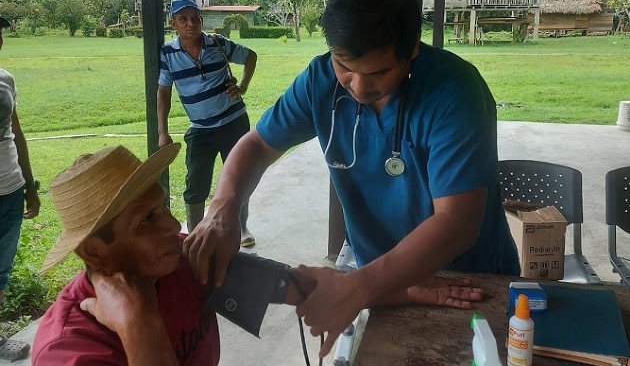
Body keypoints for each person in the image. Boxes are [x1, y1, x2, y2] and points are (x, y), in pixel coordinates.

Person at [182, 0, 520, 357]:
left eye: (378, 73)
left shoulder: (454, 92)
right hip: (383, 281)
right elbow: (257, 144)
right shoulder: (319, 81)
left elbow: (456, 223)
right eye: (345, 66)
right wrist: (223, 210)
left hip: (466, 280)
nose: (358, 87)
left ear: (411, 51)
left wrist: (355, 288)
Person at [31, 143, 480, 365]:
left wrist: (407, 289)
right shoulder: (70, 349)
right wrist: (141, 326)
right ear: (95, 252)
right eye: (146, 221)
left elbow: (304, 289)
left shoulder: (181, 265)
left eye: (164, 209)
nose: (173, 227)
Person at [157, 0, 258, 247]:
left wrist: (243, 85)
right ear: (174, 24)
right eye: (183, 19)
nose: (190, 23)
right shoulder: (168, 54)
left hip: (234, 122)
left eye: (195, 18)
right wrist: (162, 131)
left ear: (201, 20)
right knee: (195, 184)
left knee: (238, 179)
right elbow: (163, 93)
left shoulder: (217, 43)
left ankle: (241, 228)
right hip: (201, 130)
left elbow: (250, 56)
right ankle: (195, 235)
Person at [0, 14, 39, 362]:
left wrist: (29, 185)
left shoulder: (6, 80)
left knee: (1, 268)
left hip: (11, 188)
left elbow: (16, 134)